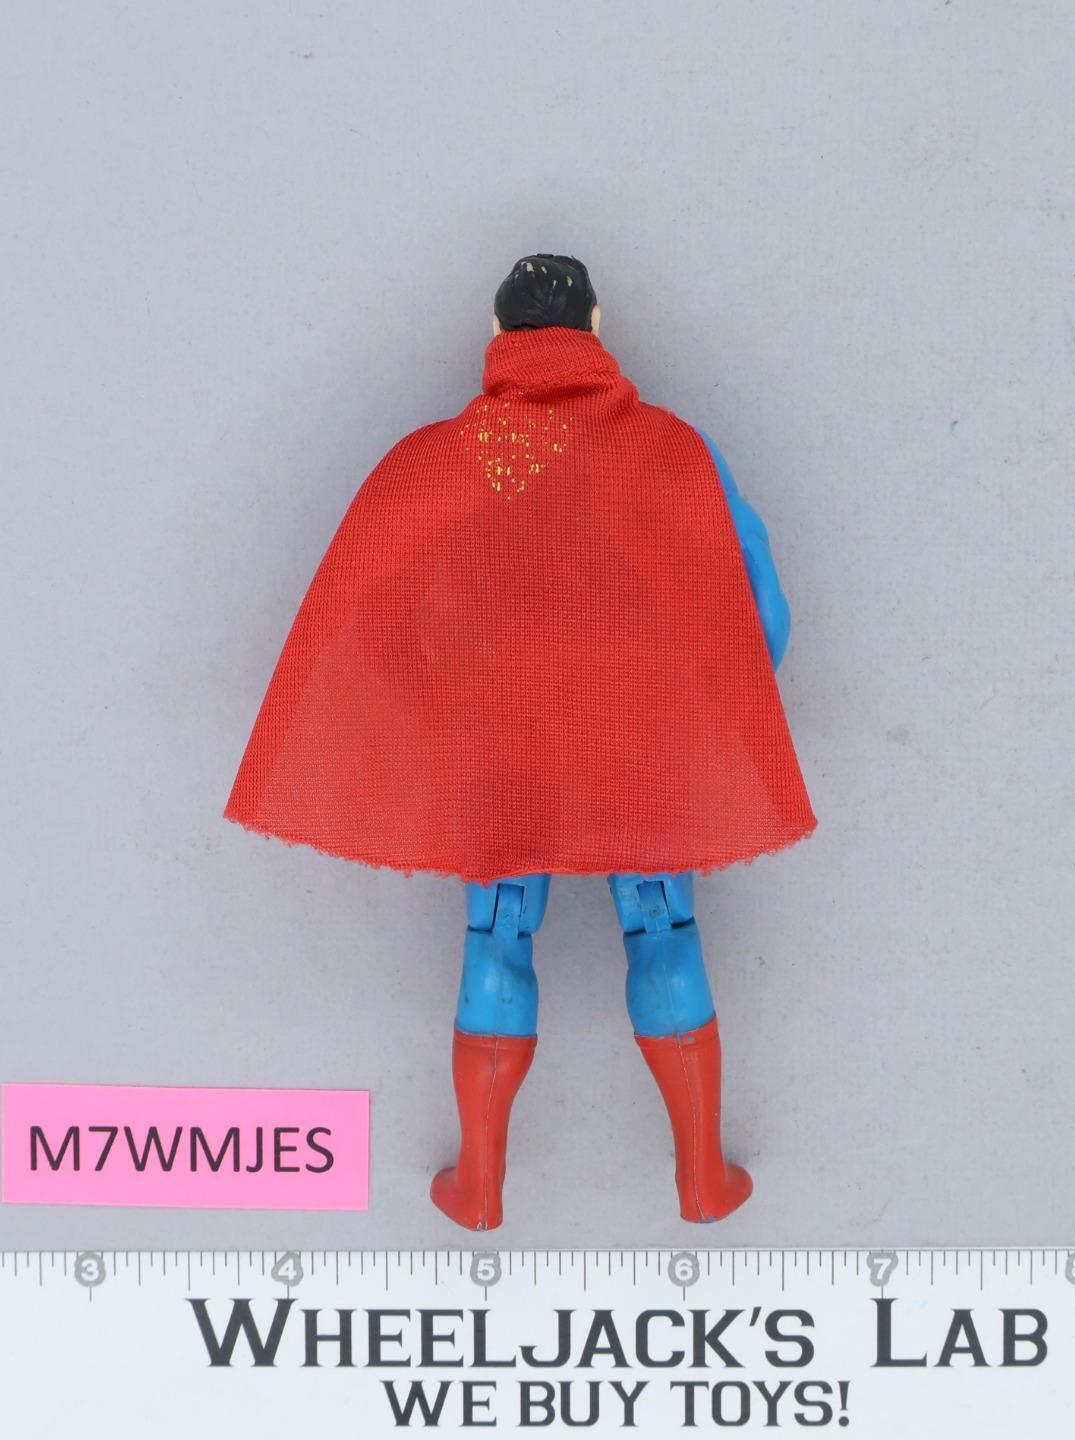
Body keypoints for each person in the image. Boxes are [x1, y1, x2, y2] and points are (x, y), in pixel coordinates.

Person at [227, 254, 816, 1229]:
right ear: (597, 325)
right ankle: (703, 1181)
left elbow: (379, 610)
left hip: (502, 726)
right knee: (662, 926)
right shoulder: (668, 449)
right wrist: (707, 699)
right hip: (640, 725)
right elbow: (758, 602)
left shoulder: (458, 455)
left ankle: (480, 1186)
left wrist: (441, 706)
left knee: (498, 931)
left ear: (497, 335)